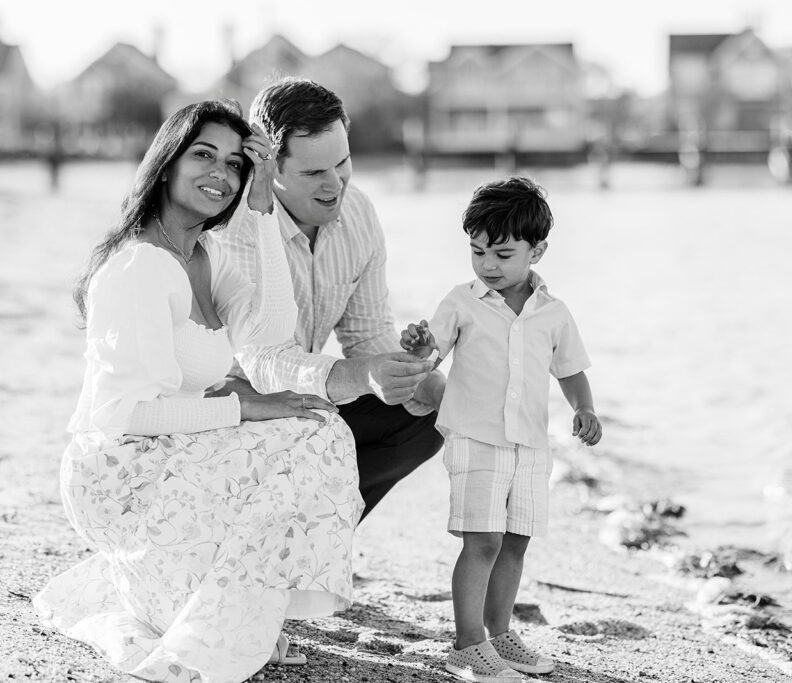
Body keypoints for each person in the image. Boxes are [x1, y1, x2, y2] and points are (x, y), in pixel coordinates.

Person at [33, 100, 364, 683]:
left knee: (317, 427)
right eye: (203, 155)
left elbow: (271, 330)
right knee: (305, 442)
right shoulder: (139, 266)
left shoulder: (205, 256)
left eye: (236, 165)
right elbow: (121, 413)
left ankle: (243, 611)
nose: (221, 174)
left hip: (169, 454)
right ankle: (227, 617)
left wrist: (262, 211)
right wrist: (245, 410)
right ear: (166, 164)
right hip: (117, 470)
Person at [212, 78, 444, 522]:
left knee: (425, 417)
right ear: (268, 166)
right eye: (314, 172)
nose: (334, 184)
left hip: (306, 398)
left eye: (342, 163)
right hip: (235, 409)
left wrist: (437, 389)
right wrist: (358, 375)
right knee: (317, 421)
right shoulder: (239, 229)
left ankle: (322, 537)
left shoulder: (358, 212)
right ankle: (266, 533)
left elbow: (367, 334)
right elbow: (264, 360)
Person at [399, 177, 601, 682]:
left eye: (504, 255)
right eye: (478, 252)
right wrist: (418, 343)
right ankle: (468, 643)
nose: (488, 266)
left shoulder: (554, 313)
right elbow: (430, 354)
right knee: (483, 540)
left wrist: (585, 408)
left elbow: (571, 368)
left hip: (531, 444)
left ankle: (499, 633)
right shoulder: (462, 301)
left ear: (538, 251)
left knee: (515, 542)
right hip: (475, 436)